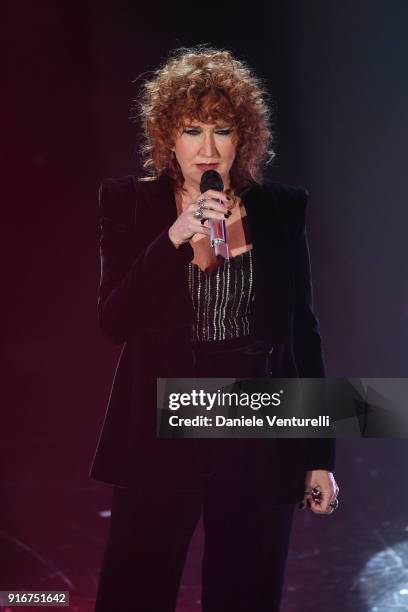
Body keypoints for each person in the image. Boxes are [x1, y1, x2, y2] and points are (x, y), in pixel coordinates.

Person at [90, 46, 339, 612]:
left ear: (243, 136)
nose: (207, 148)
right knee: (134, 592)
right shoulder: (129, 203)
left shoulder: (279, 209)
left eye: (221, 130)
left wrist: (319, 455)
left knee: (246, 593)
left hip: (257, 421)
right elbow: (115, 321)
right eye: (191, 130)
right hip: (162, 420)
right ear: (167, 137)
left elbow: (303, 336)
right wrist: (172, 239)